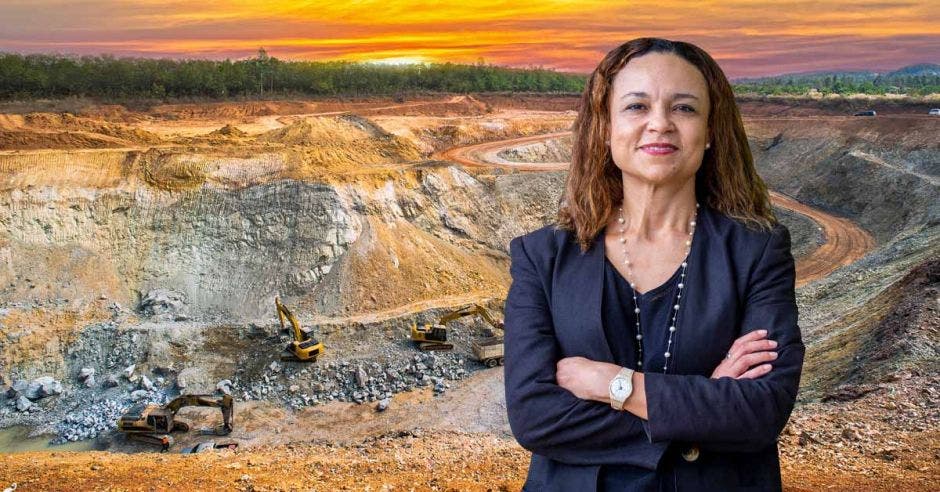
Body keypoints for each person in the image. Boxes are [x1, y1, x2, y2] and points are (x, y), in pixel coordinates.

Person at [503, 37, 804, 491]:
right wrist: (703, 403)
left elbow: (761, 409)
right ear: (605, 128)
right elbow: (534, 417)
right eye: (636, 106)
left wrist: (611, 384)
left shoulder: (757, 252)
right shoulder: (541, 257)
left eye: (684, 108)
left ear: (710, 132)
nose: (659, 124)